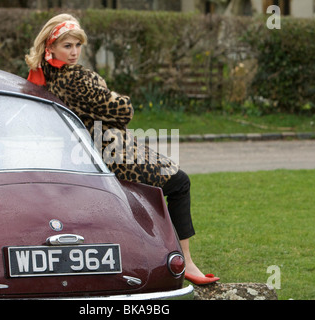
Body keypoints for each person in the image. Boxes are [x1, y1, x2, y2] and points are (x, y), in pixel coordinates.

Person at [25, 13, 219, 285]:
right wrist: (121, 100)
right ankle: (184, 259)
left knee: (140, 197)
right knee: (178, 182)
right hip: (112, 153)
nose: (74, 52)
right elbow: (123, 111)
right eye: (67, 46)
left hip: (82, 152)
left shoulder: (44, 77)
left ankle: (155, 257)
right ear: (51, 47)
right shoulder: (77, 78)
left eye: (77, 45)